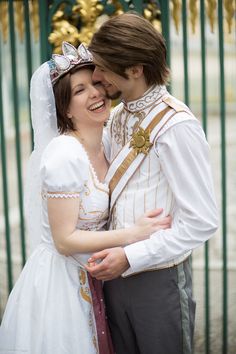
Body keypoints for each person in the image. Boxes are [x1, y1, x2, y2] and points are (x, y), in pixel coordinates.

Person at [0, 42, 171, 354]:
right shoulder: (64, 155)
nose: (95, 93)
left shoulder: (108, 140)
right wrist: (134, 234)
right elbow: (64, 240)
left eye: (95, 83)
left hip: (100, 277)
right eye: (79, 90)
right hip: (62, 284)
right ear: (64, 107)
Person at [86, 13, 218, 354]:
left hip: (159, 278)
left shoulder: (177, 126)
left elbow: (202, 222)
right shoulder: (115, 116)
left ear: (134, 70)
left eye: (103, 67)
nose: (96, 77)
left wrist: (132, 255)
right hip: (112, 276)